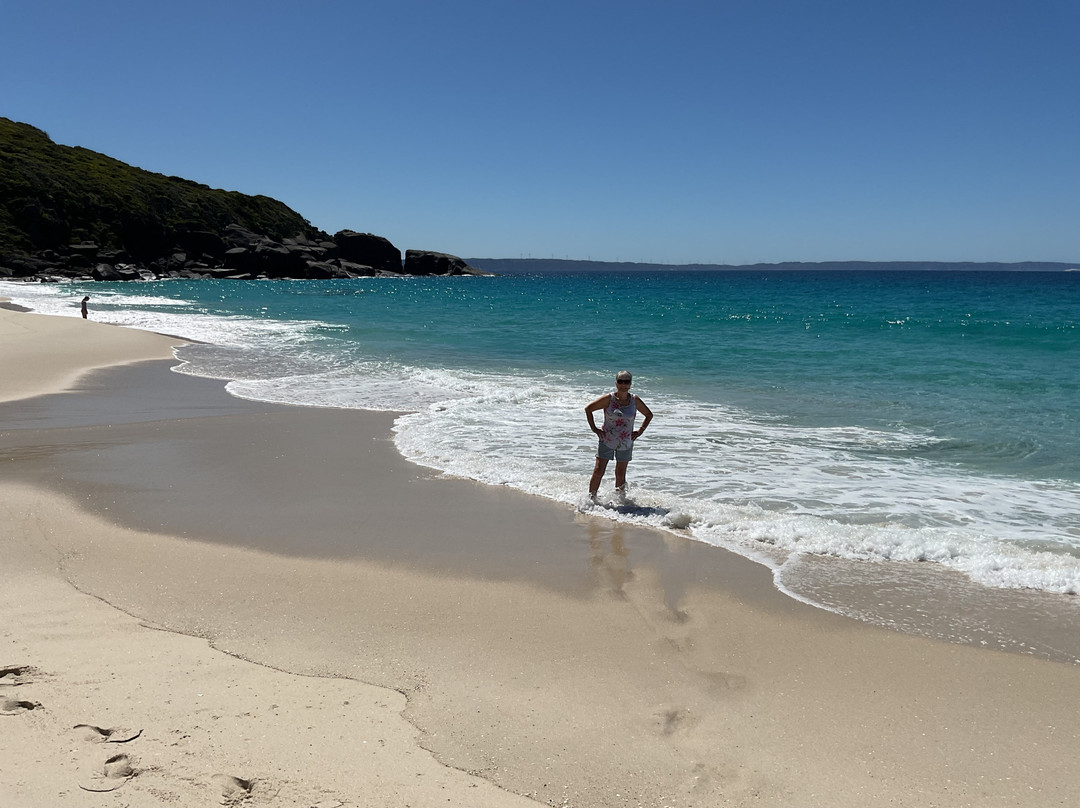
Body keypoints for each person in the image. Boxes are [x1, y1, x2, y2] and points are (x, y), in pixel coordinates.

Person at [585, 370, 653, 499]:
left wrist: (640, 431)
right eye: (620, 381)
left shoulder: (634, 400)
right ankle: (590, 499)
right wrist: (594, 429)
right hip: (607, 439)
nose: (623, 384)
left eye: (626, 382)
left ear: (630, 384)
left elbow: (649, 415)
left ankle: (620, 501)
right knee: (599, 470)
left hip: (626, 441)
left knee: (620, 473)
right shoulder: (608, 399)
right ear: (616, 383)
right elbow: (588, 409)